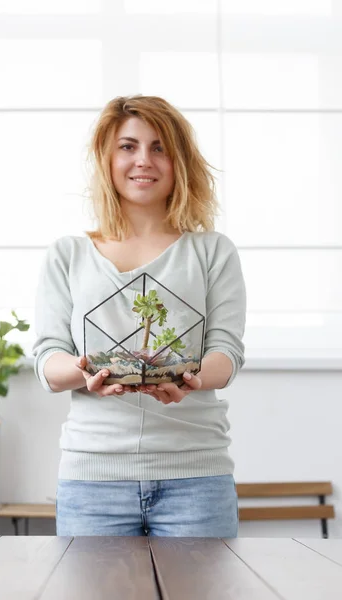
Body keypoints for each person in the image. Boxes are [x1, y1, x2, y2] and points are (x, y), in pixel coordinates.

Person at [32, 95, 246, 538]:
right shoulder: (68, 254)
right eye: (128, 146)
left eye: (159, 147)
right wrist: (84, 370)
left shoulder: (212, 251)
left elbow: (226, 354)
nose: (143, 160)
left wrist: (190, 377)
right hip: (93, 479)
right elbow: (49, 360)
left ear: (179, 161)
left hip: (196, 476)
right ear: (107, 160)